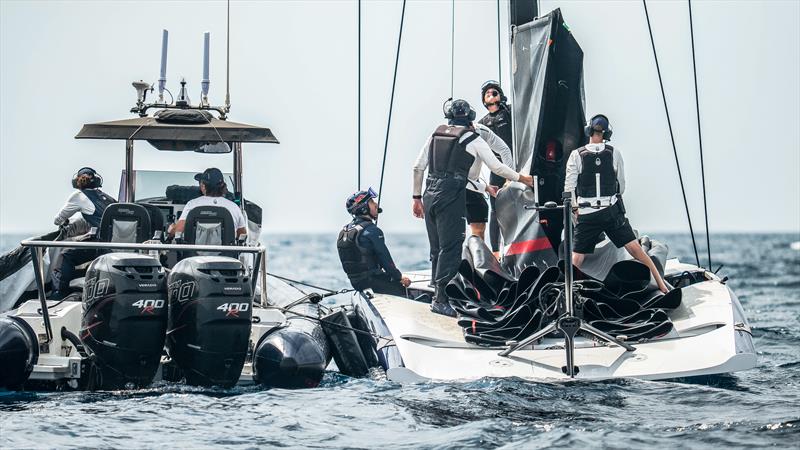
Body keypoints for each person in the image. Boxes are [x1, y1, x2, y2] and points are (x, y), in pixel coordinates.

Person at [412, 99, 534, 316]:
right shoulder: (473, 139)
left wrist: (416, 198)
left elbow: (418, 167)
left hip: (429, 193)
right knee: (450, 248)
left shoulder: (435, 134)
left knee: (437, 246)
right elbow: (496, 166)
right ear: (470, 119)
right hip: (450, 196)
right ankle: (441, 300)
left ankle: (436, 288)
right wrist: (522, 179)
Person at [564, 114, 670, 293]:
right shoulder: (614, 153)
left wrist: (575, 209)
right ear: (607, 133)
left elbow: (569, 188)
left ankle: (567, 292)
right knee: (637, 250)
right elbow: (621, 186)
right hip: (610, 211)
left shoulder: (576, 155)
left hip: (587, 214)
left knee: (577, 258)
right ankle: (662, 285)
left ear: (589, 130)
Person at [52, 167, 117, 299]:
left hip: (102, 245)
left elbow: (58, 220)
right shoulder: (108, 198)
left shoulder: (78, 196)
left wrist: (65, 223)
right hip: (116, 244)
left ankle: (59, 295)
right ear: (97, 181)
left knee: (65, 256)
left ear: (77, 182)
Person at [337, 188, 411, 296]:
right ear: (363, 208)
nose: (376, 204)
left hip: (356, 284)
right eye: (371, 202)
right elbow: (386, 260)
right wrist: (399, 277)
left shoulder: (345, 231)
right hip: (373, 282)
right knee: (407, 293)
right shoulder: (372, 231)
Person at [478, 81, 514, 259]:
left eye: (494, 92)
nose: (491, 95)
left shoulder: (509, 113)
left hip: (516, 166)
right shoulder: (482, 123)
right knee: (494, 210)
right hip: (497, 170)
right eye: (487, 94)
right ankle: (496, 252)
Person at [466, 121, 513, 242]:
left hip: (474, 183)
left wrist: (509, 179)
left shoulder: (481, 130)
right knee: (455, 231)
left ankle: (482, 257)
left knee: (479, 226)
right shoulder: (449, 136)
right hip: (452, 186)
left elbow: (504, 150)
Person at [168, 168, 247, 238]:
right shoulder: (234, 207)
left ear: (203, 186)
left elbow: (177, 232)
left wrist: (172, 229)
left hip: (194, 254)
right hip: (226, 254)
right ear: (223, 186)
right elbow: (242, 235)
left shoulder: (192, 205)